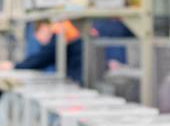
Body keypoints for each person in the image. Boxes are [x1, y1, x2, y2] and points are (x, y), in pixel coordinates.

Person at [0, 19, 133, 84]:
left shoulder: (59, 30)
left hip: (82, 77)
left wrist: (14, 66)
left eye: (40, 38)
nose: (43, 42)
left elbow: (43, 57)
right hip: (86, 75)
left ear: (43, 27)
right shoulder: (65, 28)